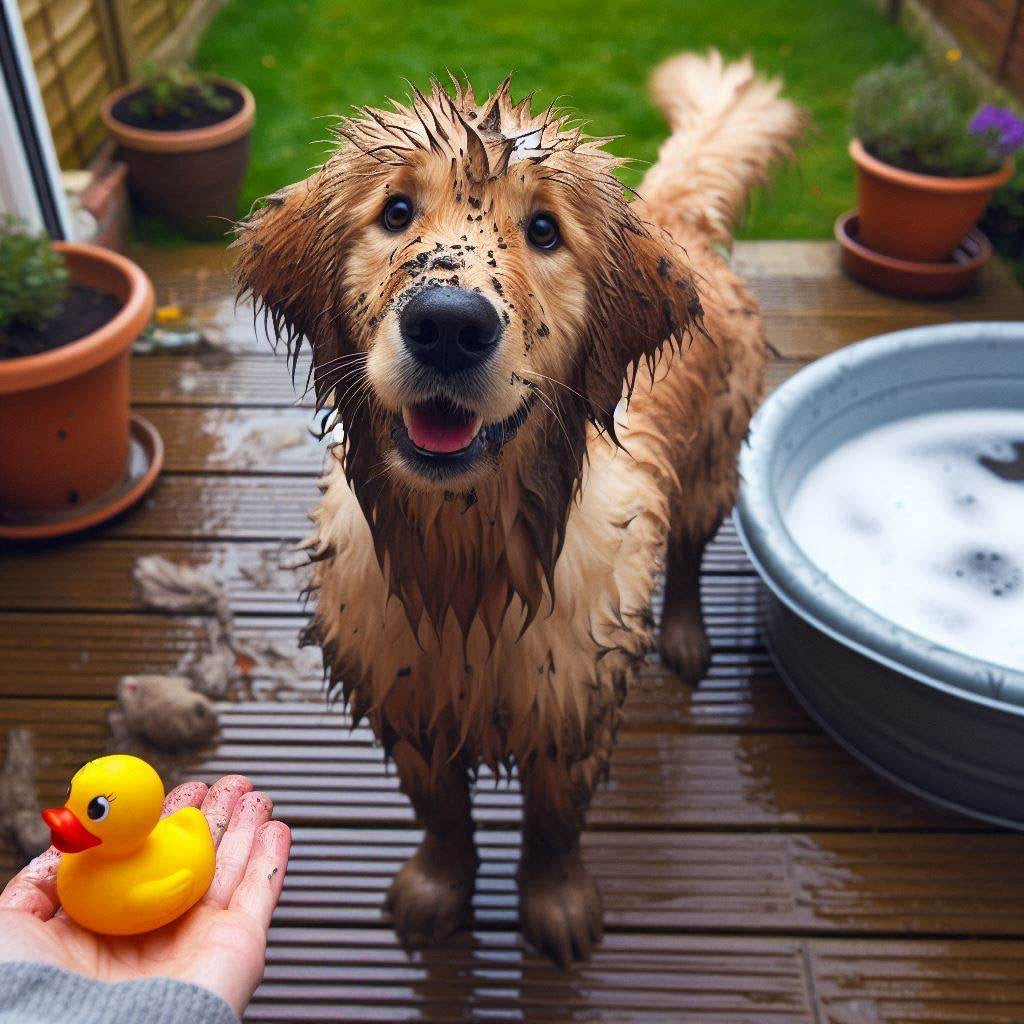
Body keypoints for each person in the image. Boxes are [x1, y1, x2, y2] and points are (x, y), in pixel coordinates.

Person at [0, 775, 290, 1023]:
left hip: (187, 841)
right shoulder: (77, 864)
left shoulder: (136, 895)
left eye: (96, 809)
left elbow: (179, 884)